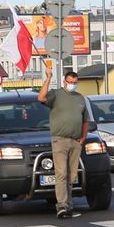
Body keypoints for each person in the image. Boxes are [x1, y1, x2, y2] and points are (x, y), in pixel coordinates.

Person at [37, 64, 89, 219]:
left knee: (71, 175)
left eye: (74, 82)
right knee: (61, 173)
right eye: (69, 82)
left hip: (75, 141)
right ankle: (61, 206)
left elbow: (85, 120)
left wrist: (83, 137)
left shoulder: (80, 98)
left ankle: (69, 206)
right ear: (64, 82)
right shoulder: (56, 94)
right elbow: (40, 98)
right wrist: (48, 78)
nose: (72, 84)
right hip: (60, 140)